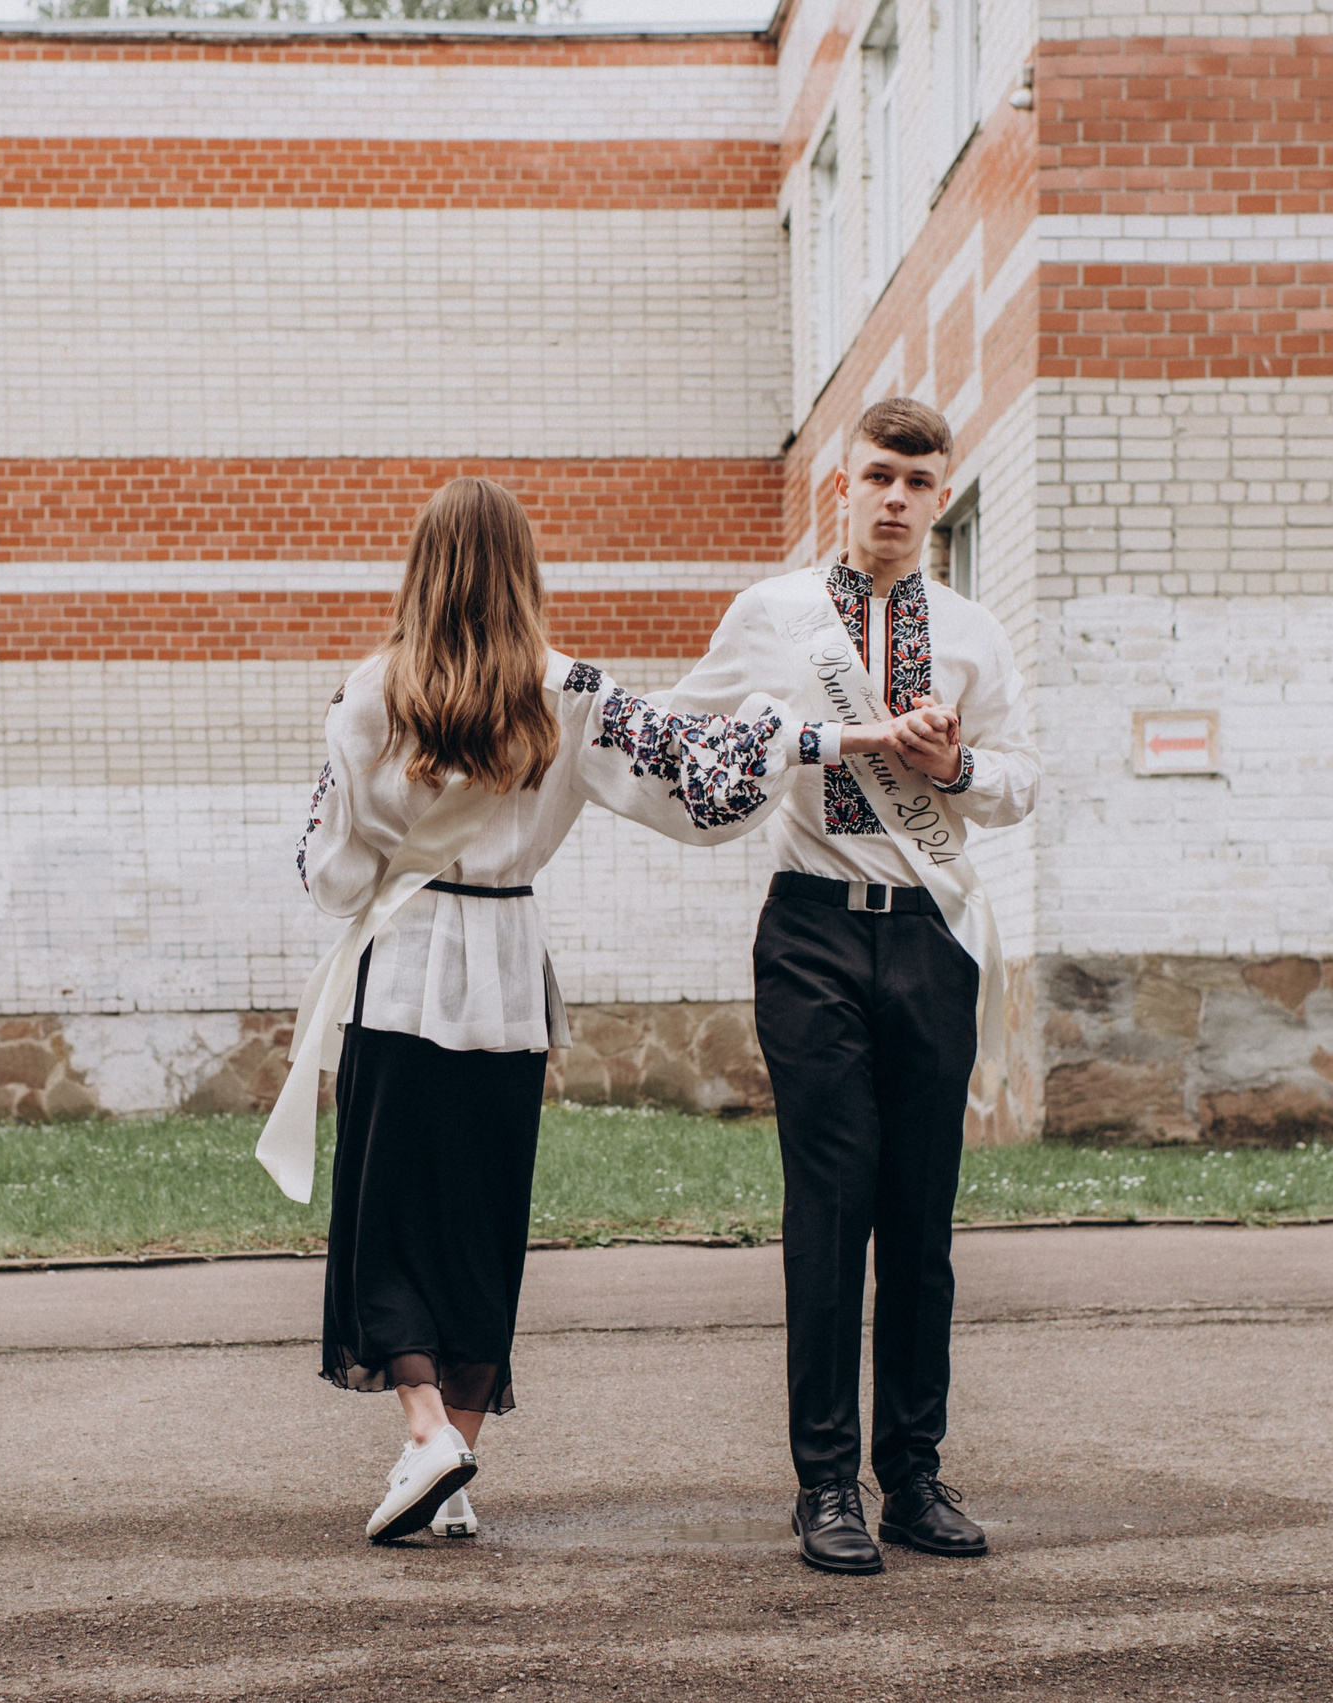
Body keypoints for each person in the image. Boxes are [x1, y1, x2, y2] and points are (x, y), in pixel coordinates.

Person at [288, 476, 943, 1545]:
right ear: (521, 574)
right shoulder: (569, 690)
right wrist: (836, 741)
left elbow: (329, 865)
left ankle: (424, 1435)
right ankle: (457, 1444)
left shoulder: (369, 693)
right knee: (484, 1216)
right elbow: (695, 774)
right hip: (504, 972)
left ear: (423, 569)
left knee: (387, 1216)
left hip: (402, 967)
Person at [659, 397, 1038, 1574]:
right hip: (812, 930)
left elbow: (1021, 782)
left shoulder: (972, 630)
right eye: (876, 476)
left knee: (920, 1217)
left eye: (917, 484)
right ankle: (825, 1481)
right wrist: (781, 741)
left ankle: (913, 1473)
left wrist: (954, 764)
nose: (894, 499)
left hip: (929, 933)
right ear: (841, 483)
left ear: (939, 496)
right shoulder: (770, 614)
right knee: (831, 1204)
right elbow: (678, 732)